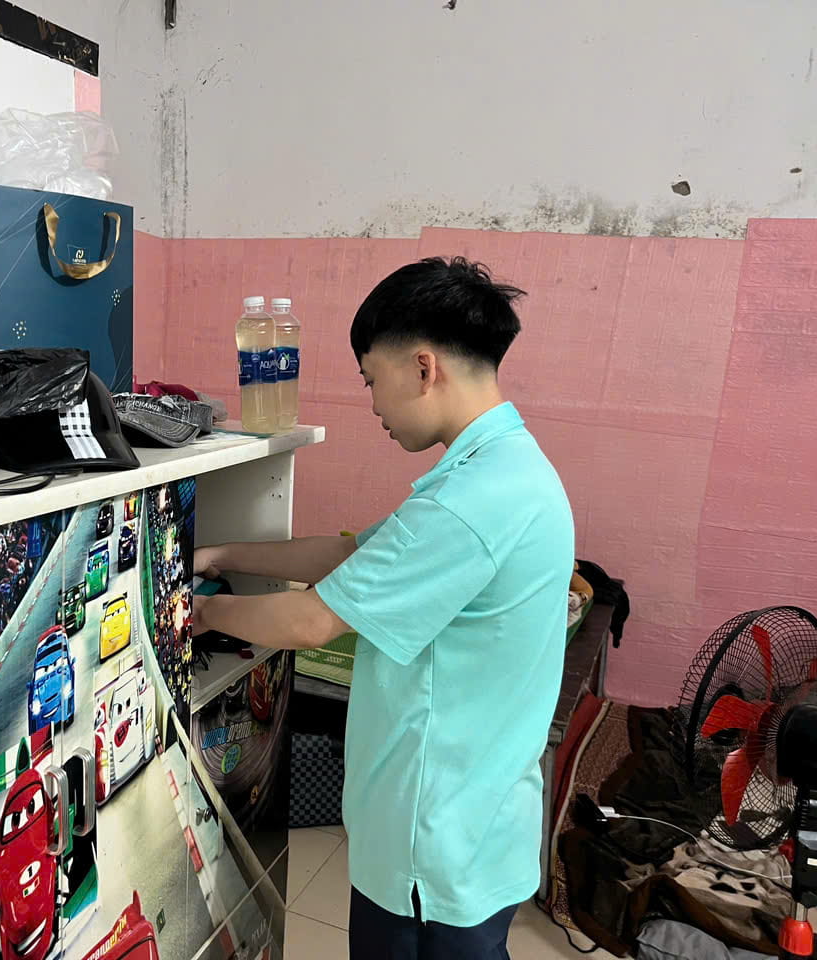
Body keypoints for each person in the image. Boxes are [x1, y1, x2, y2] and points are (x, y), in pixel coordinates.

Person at [193, 257, 573, 960]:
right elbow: (349, 557)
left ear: (423, 367)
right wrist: (221, 555)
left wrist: (197, 616)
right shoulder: (497, 470)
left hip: (435, 844)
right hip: (475, 821)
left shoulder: (471, 504)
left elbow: (312, 621)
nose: (371, 403)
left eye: (372, 380)